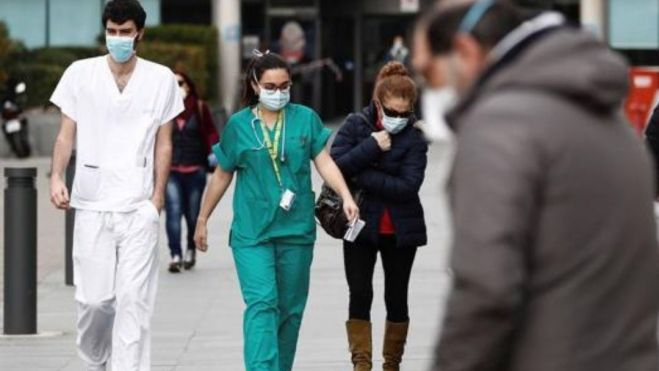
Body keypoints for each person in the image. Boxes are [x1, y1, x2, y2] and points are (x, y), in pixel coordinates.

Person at [415, 1, 659, 371]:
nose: (427, 89)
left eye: (427, 73)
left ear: (465, 50)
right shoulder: (608, 119)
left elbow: (485, 290)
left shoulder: (499, 126)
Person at [193, 50, 359, 371]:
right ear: (255, 85)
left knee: (290, 310)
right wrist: (202, 218)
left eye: (284, 85)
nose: (279, 92)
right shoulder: (239, 125)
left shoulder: (305, 119)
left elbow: (323, 160)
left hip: (296, 232)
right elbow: (223, 173)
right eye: (270, 86)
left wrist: (346, 195)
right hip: (252, 234)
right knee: (262, 304)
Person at [48, 0, 183, 369]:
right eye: (112, 31)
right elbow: (65, 136)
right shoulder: (79, 73)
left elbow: (164, 142)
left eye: (125, 32)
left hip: (138, 205)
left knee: (133, 301)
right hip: (92, 202)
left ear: (140, 32)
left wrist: (156, 199)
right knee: (94, 300)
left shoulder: (161, 79)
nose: (118, 38)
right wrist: (57, 176)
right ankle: (97, 359)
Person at [330, 61, 427, 371]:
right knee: (359, 292)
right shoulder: (356, 125)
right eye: (391, 112)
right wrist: (372, 147)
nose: (397, 119)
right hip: (359, 225)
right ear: (378, 103)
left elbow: (408, 186)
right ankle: (361, 362)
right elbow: (336, 166)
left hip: (400, 230)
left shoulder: (414, 138)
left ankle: (392, 363)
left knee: (396, 296)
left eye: (404, 114)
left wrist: (363, 173)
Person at [166, 71, 219, 273]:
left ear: (188, 85)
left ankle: (190, 250)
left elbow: (211, 131)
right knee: (173, 212)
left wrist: (214, 150)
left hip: (195, 169)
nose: (177, 86)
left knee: (191, 214)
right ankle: (175, 254)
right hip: (171, 170)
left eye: (180, 82)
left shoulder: (198, 107)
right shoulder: (164, 109)